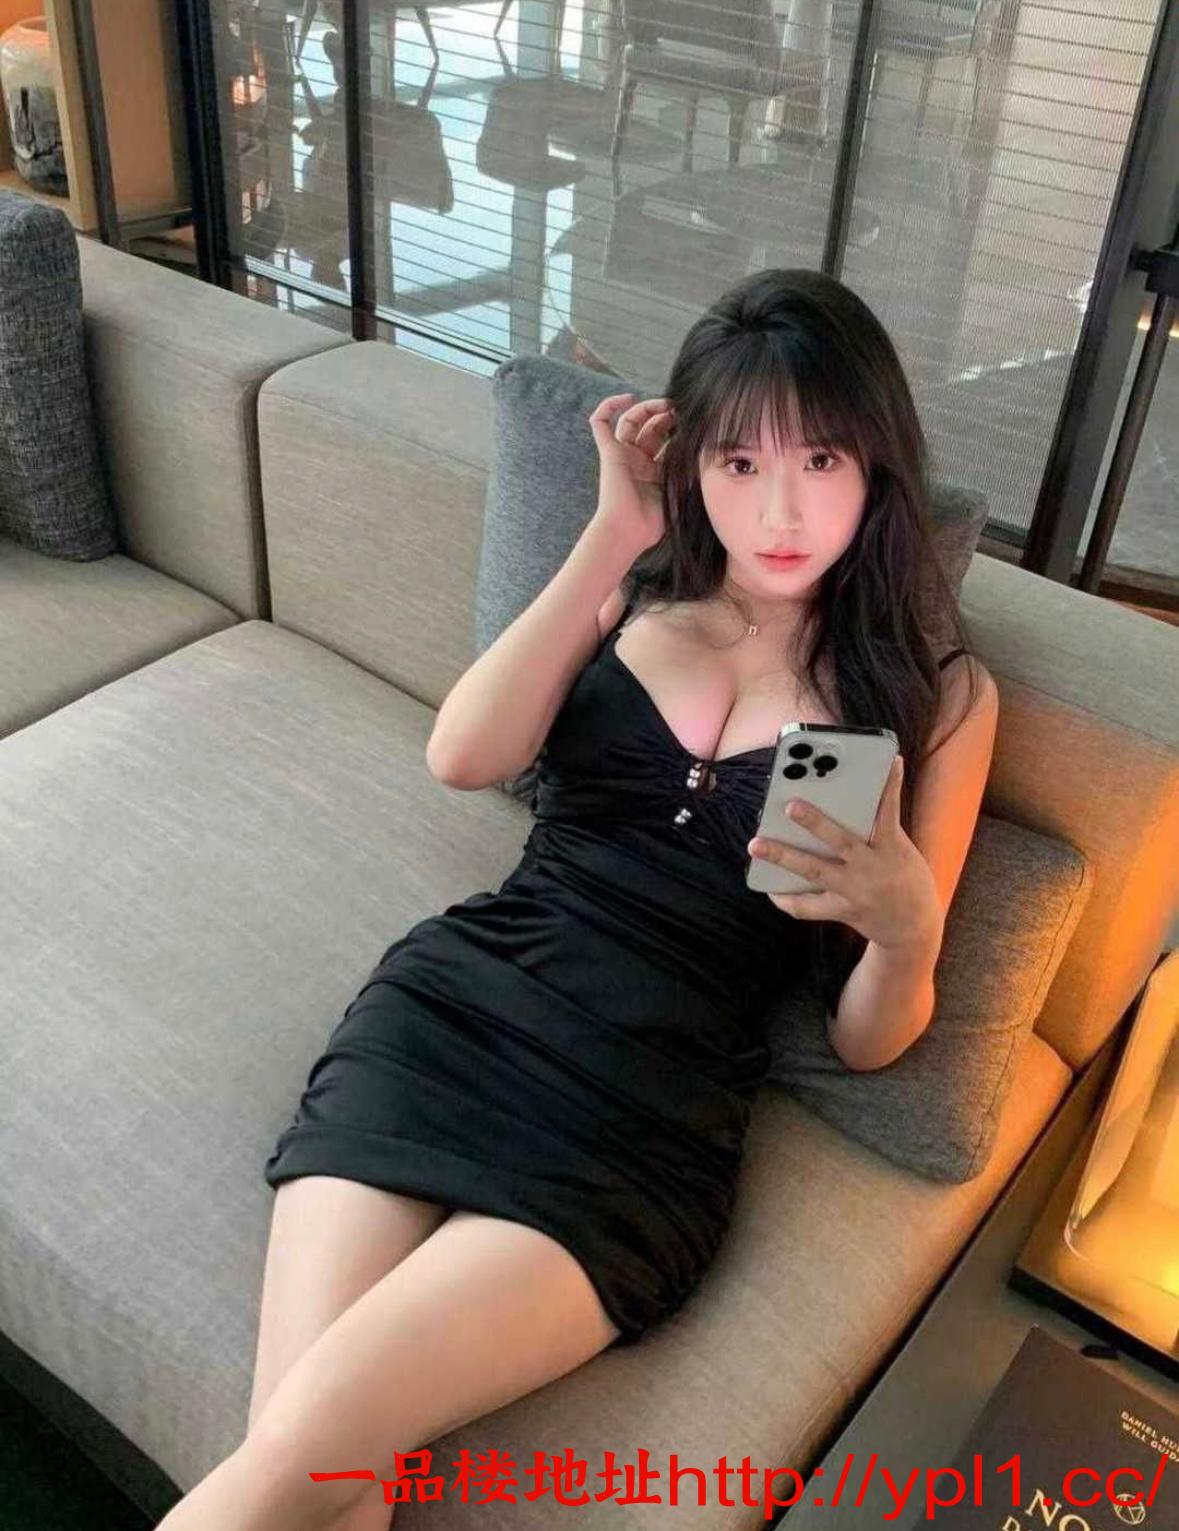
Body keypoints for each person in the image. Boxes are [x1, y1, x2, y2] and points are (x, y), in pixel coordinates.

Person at [155, 268, 997, 1530]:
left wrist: (906, 922)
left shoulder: (936, 695)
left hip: (639, 1122)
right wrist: (613, 531)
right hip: (455, 1015)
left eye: (820, 460)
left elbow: (872, 1042)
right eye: (738, 462)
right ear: (693, 466)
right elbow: (464, 755)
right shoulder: (639, 592)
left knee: (306, 1448)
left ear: (876, 461)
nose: (779, 510)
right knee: (327, 1474)